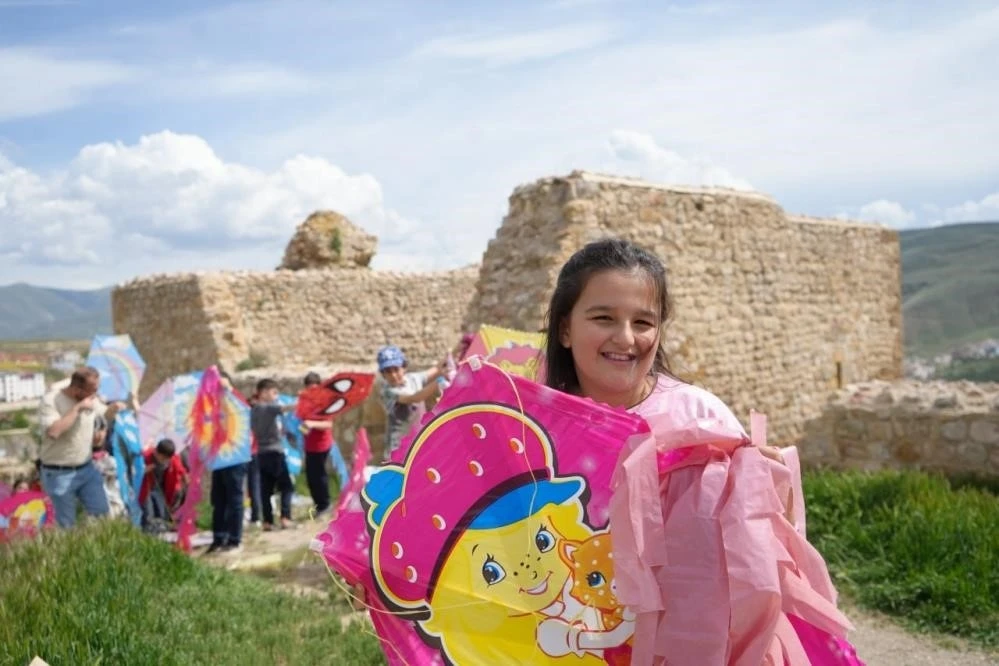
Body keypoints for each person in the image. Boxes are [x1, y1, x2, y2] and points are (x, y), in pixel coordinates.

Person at [541, 238, 858, 664]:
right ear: (565, 328)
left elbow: (755, 559)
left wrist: (763, 483)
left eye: (644, 322)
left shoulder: (699, 414)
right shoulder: (534, 429)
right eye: (603, 318)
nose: (626, 337)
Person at [36, 367, 126, 528]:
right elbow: (54, 431)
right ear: (77, 389)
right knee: (66, 525)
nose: (95, 395)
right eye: (92, 391)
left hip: (87, 468)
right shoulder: (51, 400)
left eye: (97, 389)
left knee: (102, 515)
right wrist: (77, 408)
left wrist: (113, 409)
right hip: (58, 473)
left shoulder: (90, 398)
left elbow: (104, 413)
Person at [206, 371, 251, 555]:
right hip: (219, 458)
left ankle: (235, 540)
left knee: (235, 499)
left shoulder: (236, 402)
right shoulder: (213, 406)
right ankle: (219, 538)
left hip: (235, 458)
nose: (218, 389)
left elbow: (244, 410)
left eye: (221, 386)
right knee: (218, 499)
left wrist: (228, 390)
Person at [375, 345, 445, 462]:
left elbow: (438, 368)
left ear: (404, 367)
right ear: (383, 374)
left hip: (418, 444)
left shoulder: (413, 379)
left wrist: (460, 347)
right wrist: (438, 382)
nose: (393, 375)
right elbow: (414, 398)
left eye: (396, 369)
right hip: (397, 451)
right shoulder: (388, 392)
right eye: (388, 371)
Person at [250, 378, 298, 531]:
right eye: (274, 392)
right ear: (263, 393)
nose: (276, 396)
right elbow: (286, 408)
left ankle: (267, 521)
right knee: (287, 486)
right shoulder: (268, 407)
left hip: (261, 453)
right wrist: (304, 401)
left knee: (266, 489)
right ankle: (285, 517)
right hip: (275, 452)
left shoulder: (253, 410)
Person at [300, 372, 335, 518]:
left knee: (320, 475)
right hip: (309, 444)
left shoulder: (325, 403)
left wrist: (312, 424)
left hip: (322, 444)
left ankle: (325, 505)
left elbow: (328, 424)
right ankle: (318, 505)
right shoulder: (305, 403)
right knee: (311, 477)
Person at [139, 438, 188, 532]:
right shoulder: (146, 456)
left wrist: (185, 477)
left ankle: (164, 525)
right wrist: (144, 470)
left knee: (162, 513)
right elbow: (135, 471)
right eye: (163, 458)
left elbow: (180, 469)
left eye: (167, 459)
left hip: (160, 488)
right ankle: (148, 527)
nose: (164, 461)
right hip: (146, 488)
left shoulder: (172, 458)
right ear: (157, 452)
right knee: (148, 512)